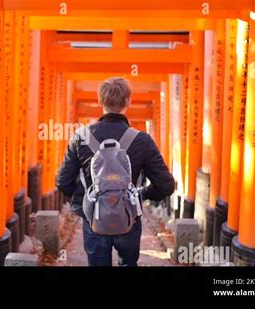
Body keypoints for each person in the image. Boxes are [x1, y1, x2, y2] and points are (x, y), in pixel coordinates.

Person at [56, 77, 175, 266]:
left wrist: (87, 200)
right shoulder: (142, 140)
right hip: (128, 219)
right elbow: (166, 185)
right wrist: (139, 195)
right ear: (128, 101)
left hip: (94, 219)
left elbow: (63, 181)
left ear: (100, 101)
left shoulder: (81, 137)